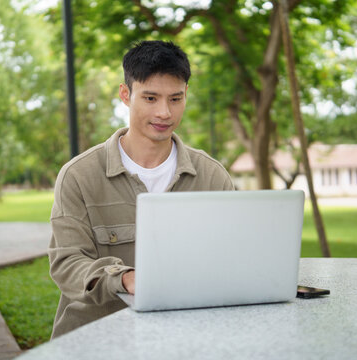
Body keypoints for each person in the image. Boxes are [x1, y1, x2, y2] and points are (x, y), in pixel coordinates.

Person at [48, 40, 235, 338]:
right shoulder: (78, 176)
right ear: (126, 94)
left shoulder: (212, 176)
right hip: (95, 340)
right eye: (150, 98)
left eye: (175, 99)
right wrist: (125, 279)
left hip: (187, 337)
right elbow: (67, 264)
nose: (164, 112)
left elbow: (232, 258)